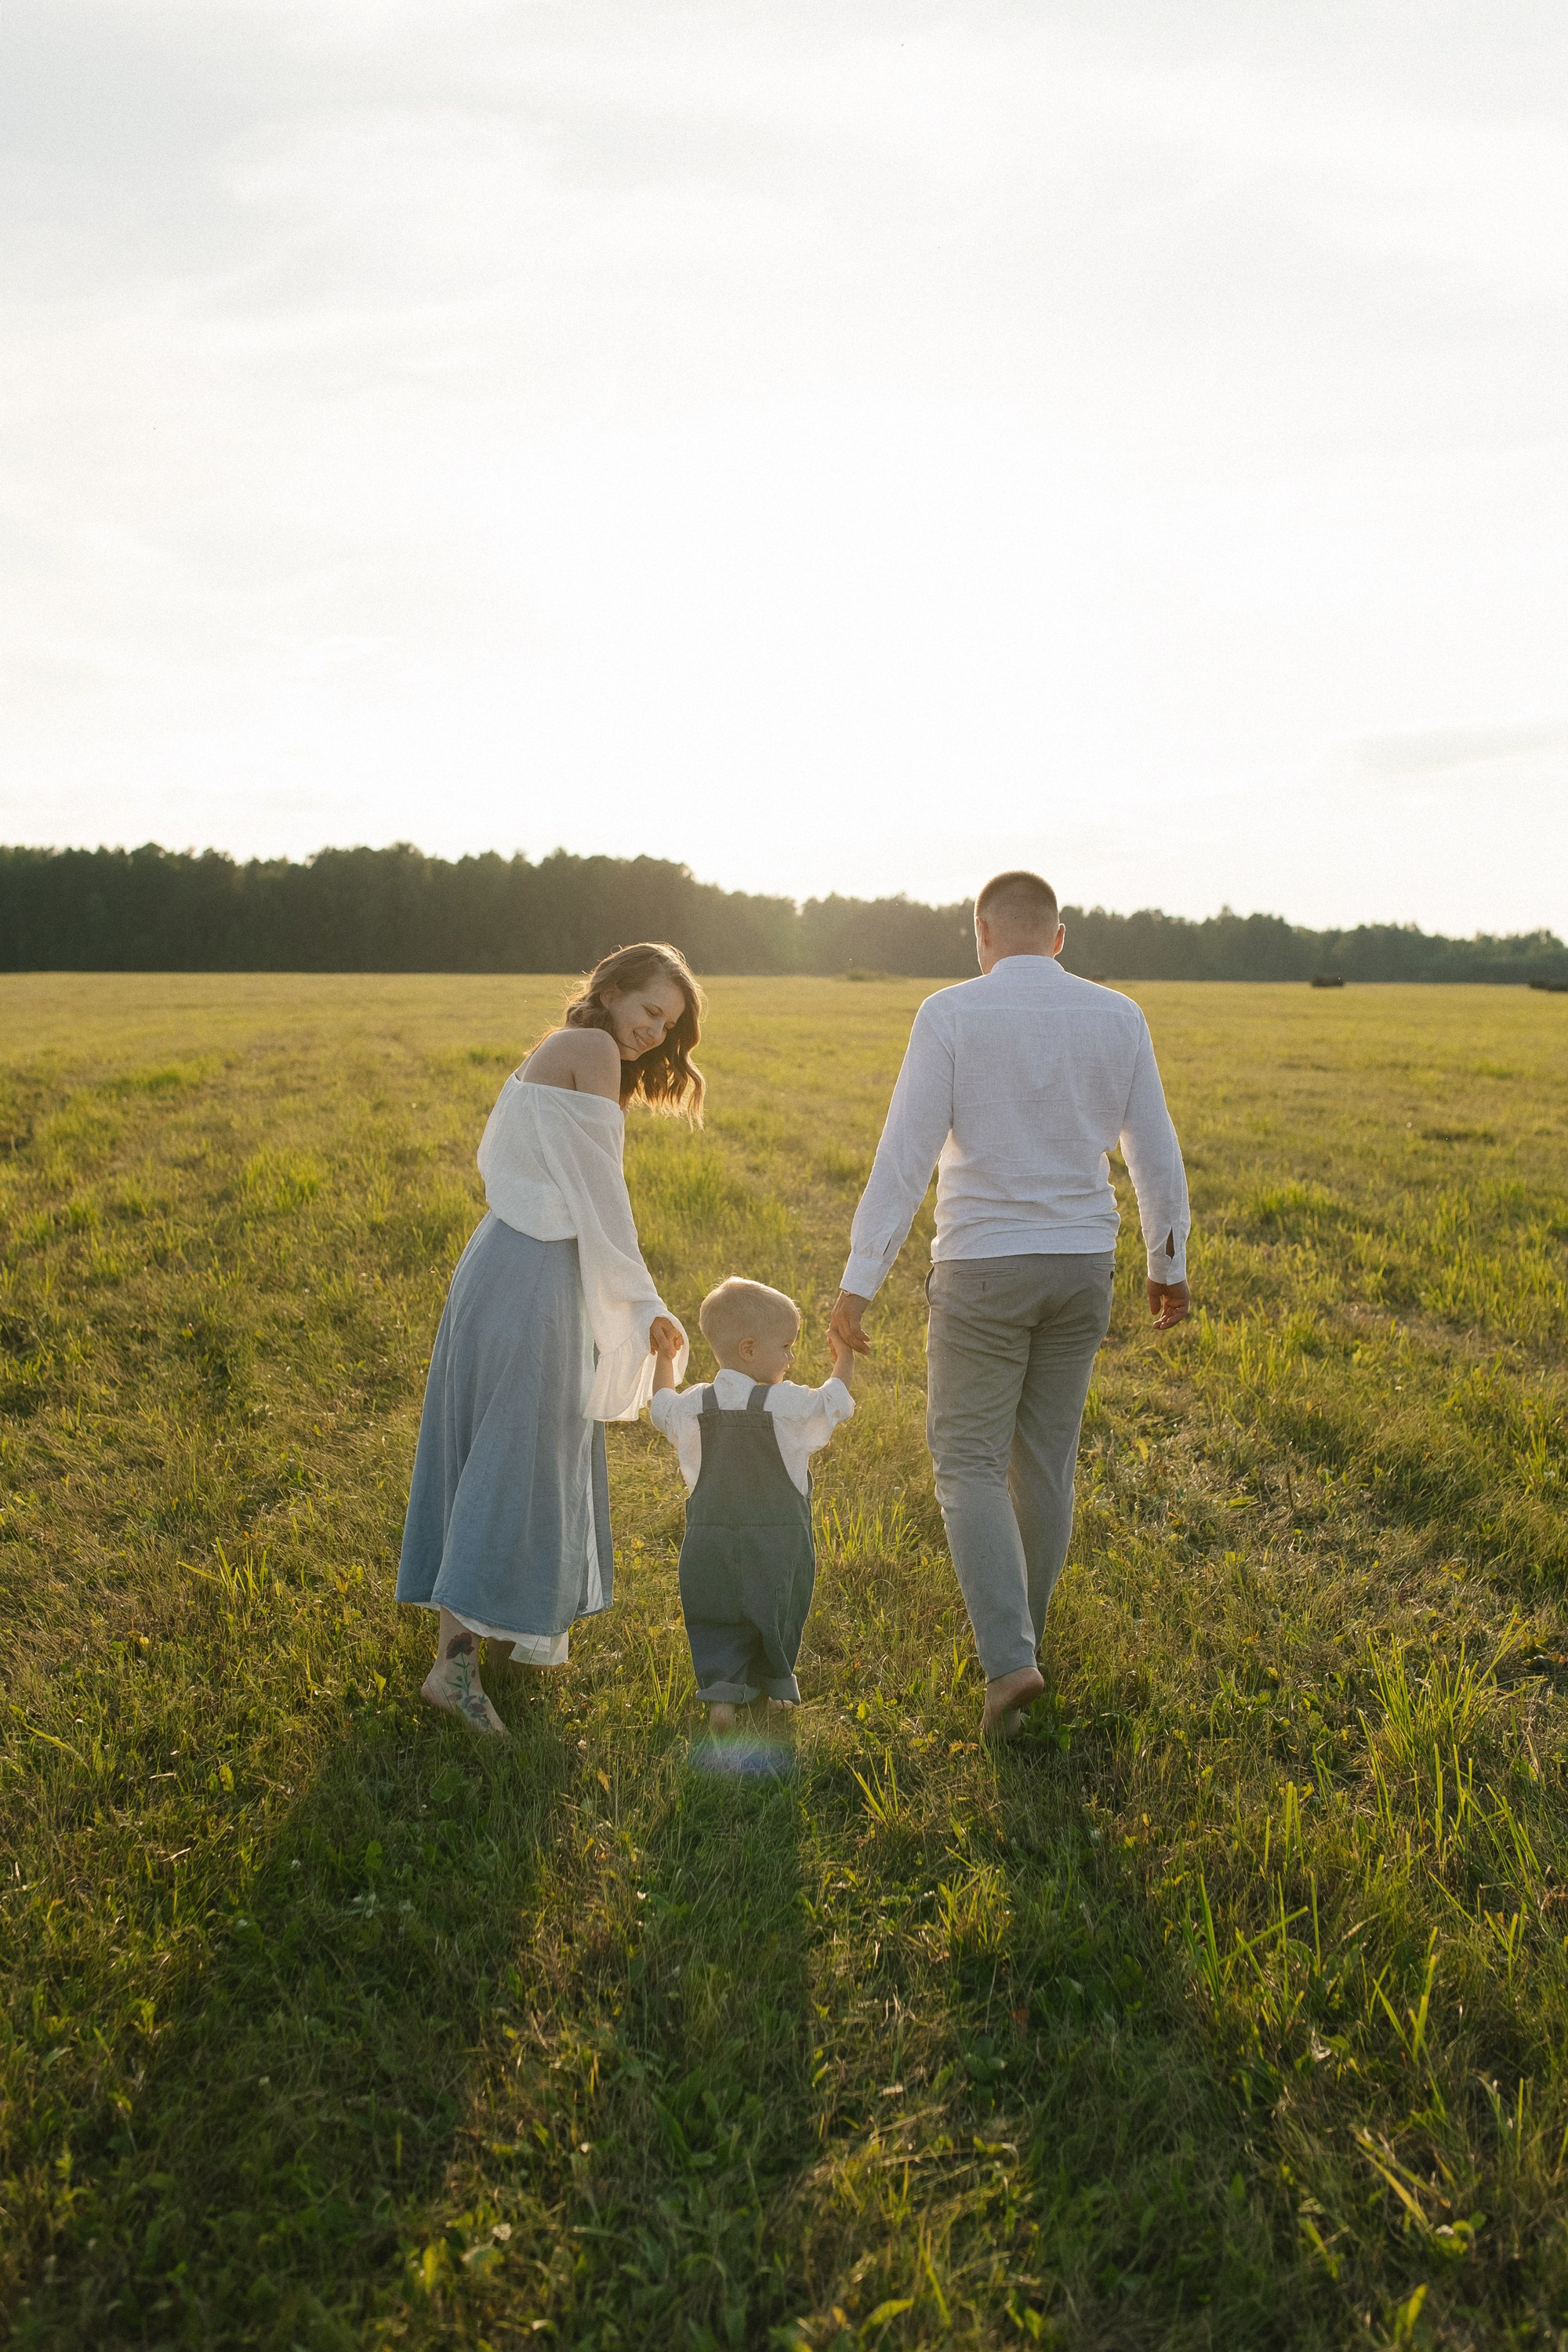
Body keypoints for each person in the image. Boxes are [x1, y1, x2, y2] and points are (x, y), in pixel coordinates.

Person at [829, 871, 1191, 1739]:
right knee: (1044, 1463)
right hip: (1081, 1267)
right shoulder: (1119, 1015)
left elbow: (905, 1153)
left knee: (964, 1462)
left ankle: (1006, 1663)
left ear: (980, 934)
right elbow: (1153, 1147)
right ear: (1057, 937)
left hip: (982, 1269)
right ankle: (1020, 1646)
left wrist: (857, 1281)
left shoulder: (949, 1013)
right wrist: (1166, 1259)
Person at [397, 943, 702, 1735]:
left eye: (665, 1025)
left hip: (504, 1258)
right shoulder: (592, 1049)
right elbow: (602, 1196)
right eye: (649, 1012)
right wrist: (641, 1301)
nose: (652, 1034)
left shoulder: (563, 1048)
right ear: (610, 990)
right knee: (516, 1453)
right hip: (530, 1274)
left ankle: (468, 1640)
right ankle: (454, 1666)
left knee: (499, 1448)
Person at [650, 1277, 855, 1734]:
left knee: (716, 1611)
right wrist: (844, 1359)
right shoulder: (784, 1404)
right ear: (748, 1348)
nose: (791, 1357)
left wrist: (665, 1360)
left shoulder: (696, 1404)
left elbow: (660, 1405)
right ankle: (775, 1685)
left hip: (709, 1536)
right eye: (785, 1346)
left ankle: (722, 1695)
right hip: (777, 1538)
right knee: (777, 1607)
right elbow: (833, 1403)